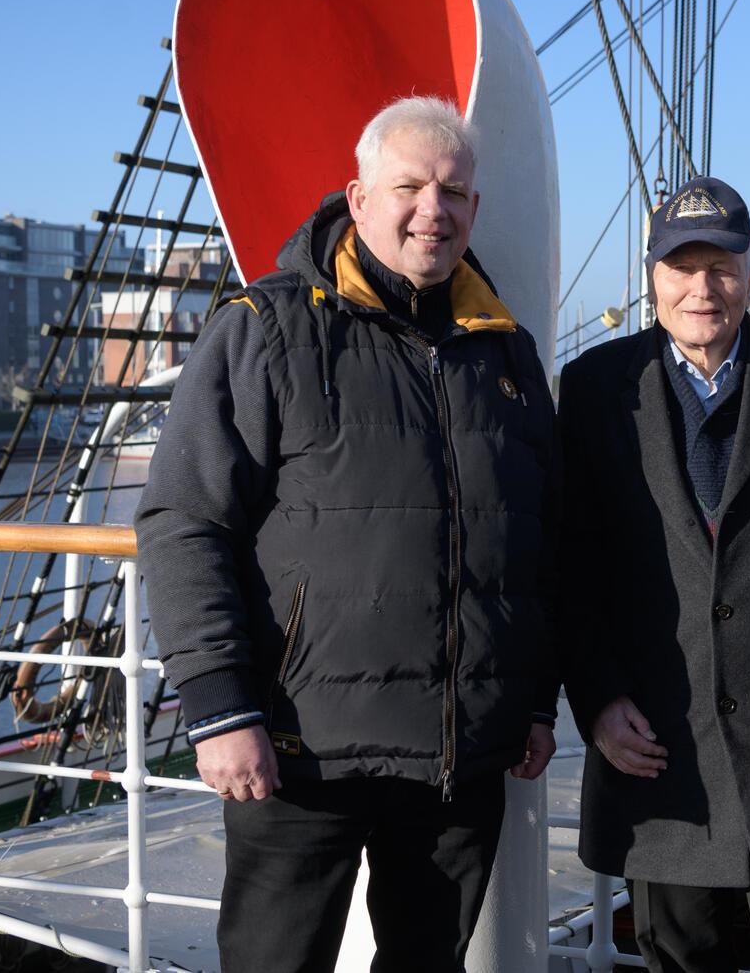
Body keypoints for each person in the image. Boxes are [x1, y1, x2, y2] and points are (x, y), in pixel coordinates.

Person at [136, 96, 559, 972]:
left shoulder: (504, 351)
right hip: (300, 751)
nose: (431, 210)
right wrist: (218, 705)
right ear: (358, 199)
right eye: (407, 186)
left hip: (457, 754)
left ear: (475, 209)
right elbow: (185, 519)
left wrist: (533, 698)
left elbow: (539, 537)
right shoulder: (268, 328)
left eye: (452, 190)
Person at [559, 175, 750, 973]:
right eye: (681, 266)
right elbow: (568, 563)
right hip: (660, 761)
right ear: (651, 275)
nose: (703, 287)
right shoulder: (595, 391)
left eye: (722, 265)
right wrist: (594, 698)